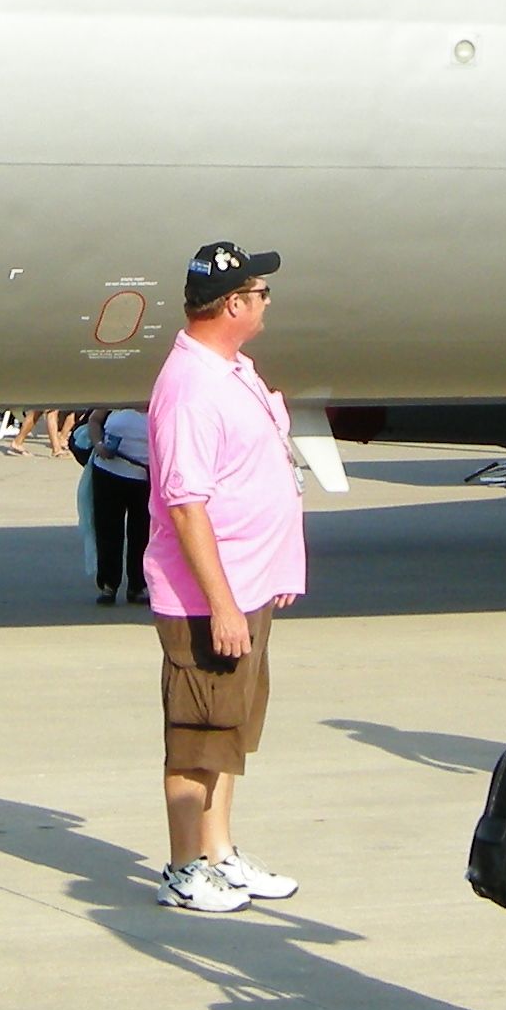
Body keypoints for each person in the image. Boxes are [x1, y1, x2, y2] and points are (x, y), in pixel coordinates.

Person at [142, 241, 306, 914]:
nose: (267, 302)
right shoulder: (190, 388)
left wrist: (276, 570)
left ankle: (220, 853)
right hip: (210, 598)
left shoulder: (232, 368)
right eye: (260, 293)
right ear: (234, 303)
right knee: (198, 735)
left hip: (249, 584)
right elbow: (186, 504)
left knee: (231, 733)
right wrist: (222, 604)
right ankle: (184, 867)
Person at [79, 401, 152, 607]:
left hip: (144, 478)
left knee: (142, 534)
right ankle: (108, 585)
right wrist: (99, 445)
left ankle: (137, 586)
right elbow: (94, 420)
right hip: (108, 473)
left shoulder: (159, 402)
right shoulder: (119, 398)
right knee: (108, 531)